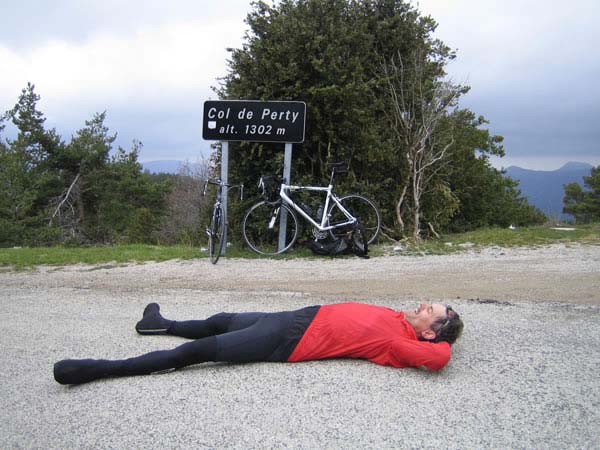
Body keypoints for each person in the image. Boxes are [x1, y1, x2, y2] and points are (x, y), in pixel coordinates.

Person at [53, 301, 463, 385]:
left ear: (430, 332)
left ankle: (100, 368)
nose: (425, 304)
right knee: (221, 320)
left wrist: (446, 341)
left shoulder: (400, 343)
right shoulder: (397, 317)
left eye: (433, 311)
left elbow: (440, 359)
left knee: (195, 354)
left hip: (287, 339)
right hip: (292, 318)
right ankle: (159, 324)